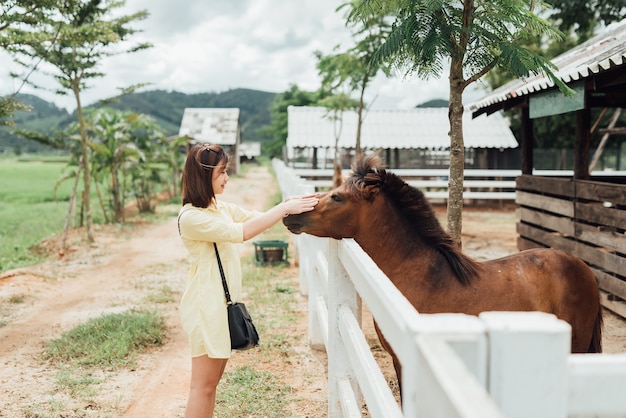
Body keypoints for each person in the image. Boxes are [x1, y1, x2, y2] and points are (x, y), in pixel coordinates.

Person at [177, 143, 318, 417]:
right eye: (223, 172)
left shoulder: (217, 207)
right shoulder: (192, 217)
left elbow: (256, 219)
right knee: (202, 386)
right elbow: (241, 232)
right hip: (206, 307)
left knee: (211, 385)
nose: (227, 178)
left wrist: (298, 210)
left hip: (218, 306)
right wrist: (283, 206)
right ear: (204, 176)